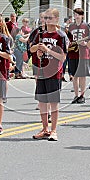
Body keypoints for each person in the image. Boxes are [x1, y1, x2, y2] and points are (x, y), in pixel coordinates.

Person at [30, 8, 67, 141]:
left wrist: (47, 50)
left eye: (50, 18)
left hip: (54, 72)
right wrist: (38, 50)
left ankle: (54, 130)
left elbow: (62, 57)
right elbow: (32, 48)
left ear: (56, 19)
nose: (47, 20)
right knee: (42, 102)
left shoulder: (60, 36)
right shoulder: (41, 34)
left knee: (53, 102)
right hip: (41, 71)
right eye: (46, 18)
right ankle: (45, 128)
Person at [67, 8, 90, 104]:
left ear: (82, 16)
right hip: (73, 52)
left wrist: (85, 43)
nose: (76, 16)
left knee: (82, 75)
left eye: (78, 14)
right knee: (74, 75)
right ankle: (76, 95)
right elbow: (68, 38)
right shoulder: (71, 26)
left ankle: (82, 95)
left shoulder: (86, 26)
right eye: (75, 14)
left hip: (83, 53)